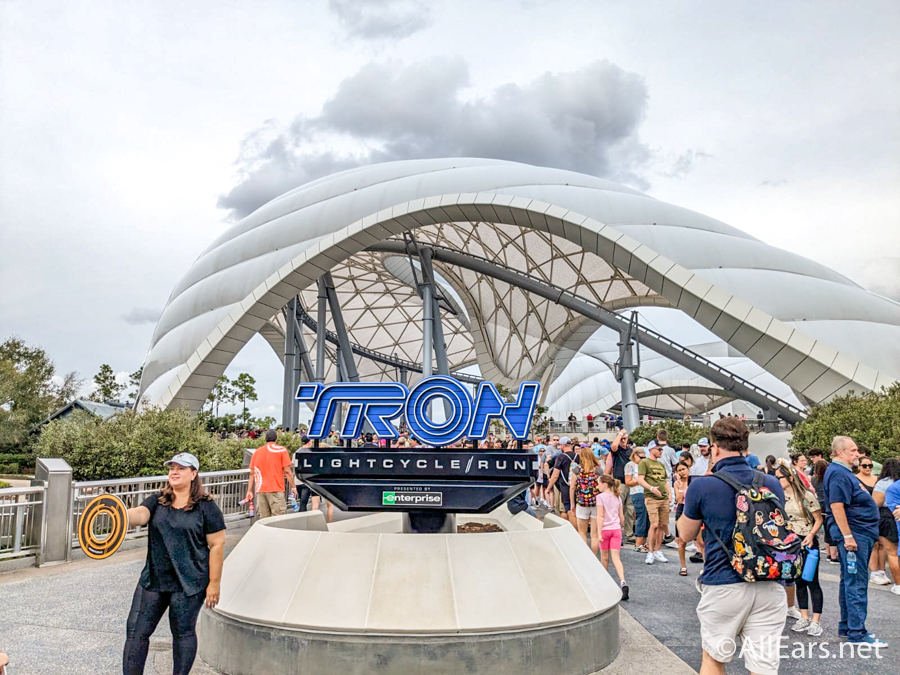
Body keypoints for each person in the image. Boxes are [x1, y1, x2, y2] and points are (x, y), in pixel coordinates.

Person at [677, 417, 787, 675]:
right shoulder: (770, 483)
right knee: (764, 667)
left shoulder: (702, 485)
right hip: (769, 581)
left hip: (724, 581)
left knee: (714, 659)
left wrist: (687, 502)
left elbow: (686, 533)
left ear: (714, 448)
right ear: (745, 446)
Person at [123, 453, 226, 675]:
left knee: (183, 633)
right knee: (136, 632)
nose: (174, 472)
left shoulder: (206, 507)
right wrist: (120, 514)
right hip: (154, 579)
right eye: (172, 468)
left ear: (194, 474)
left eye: (181, 468)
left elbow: (217, 545)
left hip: (189, 582)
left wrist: (214, 583)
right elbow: (141, 515)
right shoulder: (158, 500)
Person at [823, 436, 885, 647]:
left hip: (857, 533)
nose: (858, 454)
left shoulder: (841, 472)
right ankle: (857, 632)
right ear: (840, 452)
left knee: (849, 581)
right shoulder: (839, 473)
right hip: (855, 534)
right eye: (853, 450)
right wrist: (848, 536)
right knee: (856, 583)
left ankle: (848, 626)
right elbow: (836, 506)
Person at [775, 463, 824, 636]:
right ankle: (804, 615)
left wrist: (811, 535)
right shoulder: (779, 498)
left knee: (811, 579)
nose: (777, 480)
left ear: (789, 478)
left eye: (779, 477)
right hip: (791, 541)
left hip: (807, 539)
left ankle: (816, 620)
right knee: (797, 579)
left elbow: (818, 519)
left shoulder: (805, 496)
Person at [246, 429, 297, 519]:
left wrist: (249, 491)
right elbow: (287, 471)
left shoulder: (257, 452)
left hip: (261, 490)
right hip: (275, 489)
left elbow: (252, 473)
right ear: (276, 438)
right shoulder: (281, 450)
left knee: (264, 521)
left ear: (265, 438)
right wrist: (293, 487)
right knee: (278, 520)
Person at [596, 474, 628, 600]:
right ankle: (623, 582)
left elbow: (600, 516)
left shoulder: (600, 497)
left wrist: (598, 533)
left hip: (605, 530)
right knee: (616, 559)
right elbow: (621, 516)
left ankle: (604, 583)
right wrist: (621, 527)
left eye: (599, 483)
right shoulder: (617, 497)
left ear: (604, 484)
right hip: (616, 530)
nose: (598, 486)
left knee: (604, 558)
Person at [637, 441, 669, 564]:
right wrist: (651, 488)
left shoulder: (661, 464)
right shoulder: (644, 462)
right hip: (651, 497)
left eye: (662, 450)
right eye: (659, 449)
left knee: (662, 524)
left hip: (663, 498)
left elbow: (665, 481)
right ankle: (650, 551)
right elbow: (640, 479)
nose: (661, 452)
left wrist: (669, 495)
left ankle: (658, 550)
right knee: (654, 524)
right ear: (651, 449)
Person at [872, 458, 900, 593]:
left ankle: (898, 584)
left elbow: (875, 503)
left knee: (892, 553)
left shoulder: (883, 483)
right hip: (895, 516)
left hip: (887, 517)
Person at [569, 447, 602, 553]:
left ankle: (585, 556)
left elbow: (572, 487)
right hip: (596, 503)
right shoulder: (598, 470)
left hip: (581, 503)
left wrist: (572, 504)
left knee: (582, 532)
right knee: (594, 535)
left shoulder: (577, 470)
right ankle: (594, 558)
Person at [606, 429, 635, 542]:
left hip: (630, 482)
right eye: (621, 439)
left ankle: (629, 533)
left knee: (629, 509)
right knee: (618, 509)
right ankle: (617, 533)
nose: (623, 440)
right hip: (619, 482)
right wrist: (620, 434)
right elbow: (614, 446)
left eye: (625, 438)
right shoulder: (617, 450)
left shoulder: (630, 451)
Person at [546, 436, 578, 526]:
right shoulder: (577, 456)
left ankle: (574, 532)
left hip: (565, 486)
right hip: (578, 486)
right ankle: (579, 532)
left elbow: (555, 475)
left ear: (563, 446)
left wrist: (548, 488)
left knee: (569, 510)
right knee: (577, 510)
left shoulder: (561, 457)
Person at [624, 448, 648, 552]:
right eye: (641, 457)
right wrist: (638, 480)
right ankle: (638, 543)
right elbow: (627, 481)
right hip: (636, 491)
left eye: (644, 457)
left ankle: (644, 542)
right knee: (640, 516)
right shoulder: (630, 465)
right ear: (634, 455)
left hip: (646, 491)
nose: (643, 459)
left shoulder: (645, 464)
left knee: (647, 518)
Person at [673, 461, 691, 575]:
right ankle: (683, 566)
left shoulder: (694, 481)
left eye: (683, 469)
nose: (682, 472)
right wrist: (680, 485)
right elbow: (679, 500)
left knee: (701, 540)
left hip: (693, 508)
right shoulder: (677, 483)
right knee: (681, 541)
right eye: (679, 470)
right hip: (682, 508)